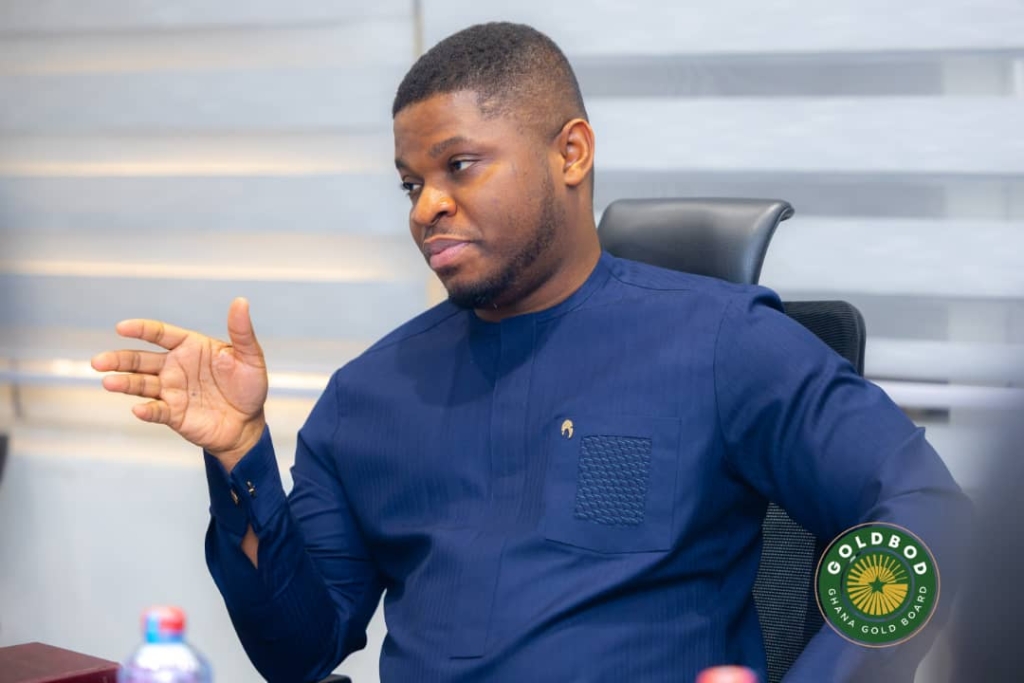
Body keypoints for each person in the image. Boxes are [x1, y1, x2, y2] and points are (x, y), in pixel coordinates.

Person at [91, 22, 971, 683]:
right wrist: (241, 455)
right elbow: (298, 649)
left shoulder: (723, 343)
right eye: (410, 183)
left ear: (571, 153)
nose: (425, 207)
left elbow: (930, 516)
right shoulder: (367, 397)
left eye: (459, 166)